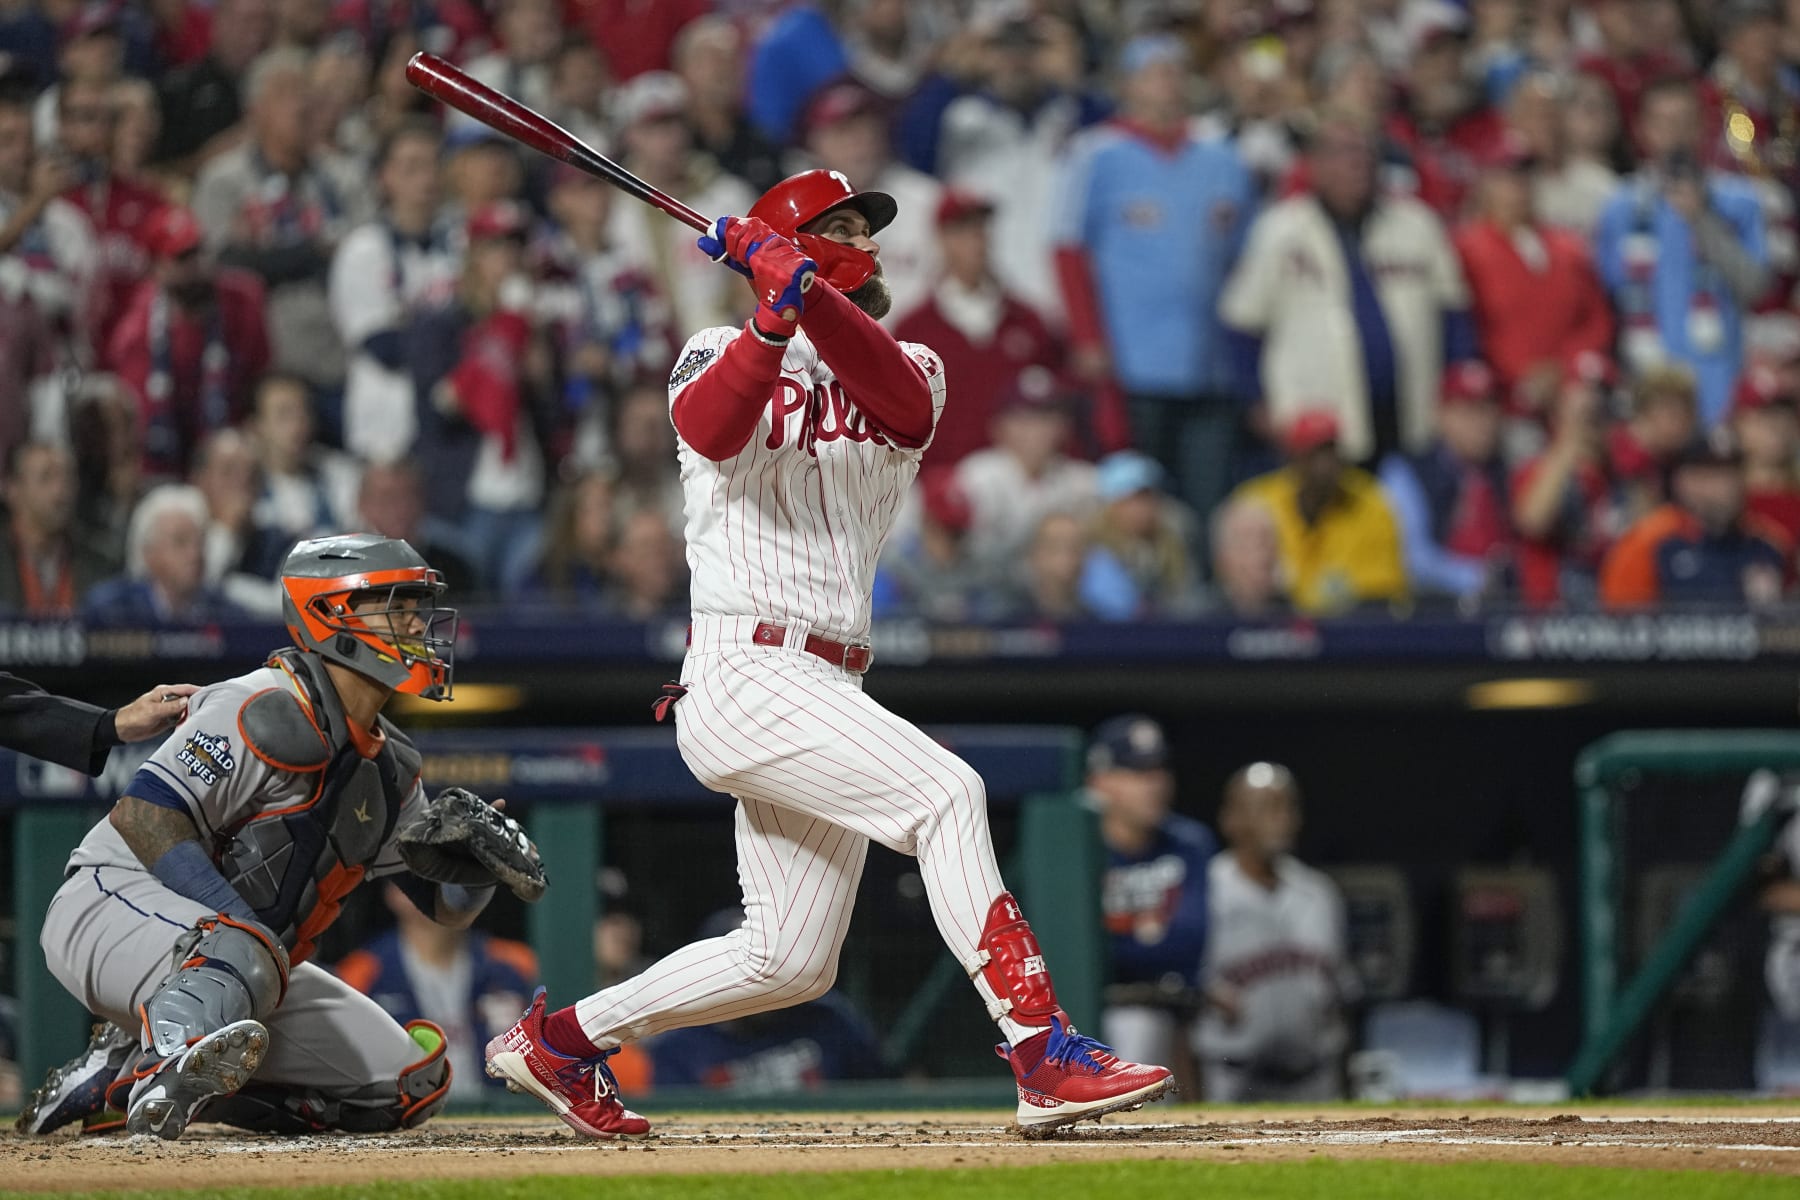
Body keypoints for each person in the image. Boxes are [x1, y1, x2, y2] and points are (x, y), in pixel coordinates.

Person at [484, 168, 1173, 1140]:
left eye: (862, 229)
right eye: (837, 228)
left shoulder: (915, 364)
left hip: (827, 678)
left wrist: (799, 284)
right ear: (782, 243)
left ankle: (561, 1040)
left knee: (790, 958)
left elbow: (896, 402)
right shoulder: (713, 348)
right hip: (742, 667)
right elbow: (712, 429)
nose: (865, 243)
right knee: (947, 795)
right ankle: (1041, 1047)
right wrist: (772, 314)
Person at [17, 533, 545, 1140]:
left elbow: (441, 908)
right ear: (330, 612)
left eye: (417, 609)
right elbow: (145, 817)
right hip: (105, 905)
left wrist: (477, 870)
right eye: (396, 606)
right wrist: (248, 937)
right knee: (250, 951)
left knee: (405, 1087)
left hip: (238, 962)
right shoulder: (258, 703)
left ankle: (116, 1075)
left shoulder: (393, 766)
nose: (416, 624)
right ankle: (159, 1079)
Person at [1053, 35, 1255, 500]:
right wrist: (1087, 337)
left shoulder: (1222, 156)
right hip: (1132, 363)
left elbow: (1246, 255)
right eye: (1153, 72)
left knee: (1210, 497)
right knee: (1142, 494)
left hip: (1212, 363)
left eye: (1174, 70)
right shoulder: (1096, 153)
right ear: (1128, 84)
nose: (1166, 82)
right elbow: (1067, 249)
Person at [1221, 111, 1474, 467]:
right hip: (1316, 430)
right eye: (1343, 154)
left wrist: (1457, 398)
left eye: (1365, 154)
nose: (1357, 164)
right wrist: (1257, 403)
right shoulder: (1280, 230)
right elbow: (1241, 324)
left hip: (1414, 424)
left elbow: (1453, 319)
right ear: (1316, 166)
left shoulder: (1417, 225)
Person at [191, 47, 369, 397]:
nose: (302, 106)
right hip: (262, 372)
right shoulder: (224, 181)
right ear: (256, 112)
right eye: (287, 95)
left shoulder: (344, 178)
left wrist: (266, 255)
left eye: (306, 94)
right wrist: (311, 252)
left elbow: (365, 258)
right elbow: (217, 267)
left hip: (341, 361)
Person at [1592, 77, 1768, 427]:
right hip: (1647, 384)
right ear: (1643, 130)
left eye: (1685, 122)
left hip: (1719, 384)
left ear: (1703, 126)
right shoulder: (1620, 208)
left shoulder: (1739, 201)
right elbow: (1609, 296)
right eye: (1664, 123)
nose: (1675, 134)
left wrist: (1702, 219)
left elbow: (1755, 286)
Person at [1196, 762, 1352, 1103]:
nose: (1281, 819)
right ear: (1230, 820)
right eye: (1265, 808)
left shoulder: (1320, 893)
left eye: (1287, 807)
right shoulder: (1204, 891)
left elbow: (1340, 997)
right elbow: (1181, 992)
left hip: (1315, 1079)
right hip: (1231, 1078)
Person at [1087, 715, 1215, 1091]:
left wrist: (1115, 931)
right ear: (1101, 781)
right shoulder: (1077, 848)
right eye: (1138, 773)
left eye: (1160, 772)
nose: (1155, 785)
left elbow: (1189, 943)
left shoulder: (1189, 843)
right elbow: (1074, 955)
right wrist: (1143, 931)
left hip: (1173, 1016)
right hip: (1087, 1017)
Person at [891, 189, 1060, 469]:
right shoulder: (914, 329)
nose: (974, 240)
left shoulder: (1028, 322)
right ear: (941, 239)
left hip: (1017, 483)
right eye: (961, 230)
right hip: (937, 483)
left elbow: (1057, 409)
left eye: (980, 228)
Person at [105, 205, 271, 480]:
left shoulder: (243, 300)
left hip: (235, 451)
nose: (198, 267)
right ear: (157, 269)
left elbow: (262, 380)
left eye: (199, 251)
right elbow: (142, 426)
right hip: (165, 464)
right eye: (183, 258)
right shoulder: (136, 333)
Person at [645, 907, 885, 1094]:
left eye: (766, 968)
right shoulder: (677, 1047)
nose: (758, 983)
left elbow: (884, 1090)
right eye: (744, 972)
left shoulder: (829, 1019)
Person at [1454, 136, 1614, 414]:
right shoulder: (1467, 249)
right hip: (1503, 401)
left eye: (1525, 175)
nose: (1518, 187)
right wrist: (1517, 377)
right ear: (1485, 184)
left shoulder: (1568, 247)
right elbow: (1471, 329)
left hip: (1573, 392)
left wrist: (1563, 368)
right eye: (1506, 177)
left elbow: (1596, 320)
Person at [335, 882, 539, 1099]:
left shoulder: (517, 964)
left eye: (450, 876)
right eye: (423, 876)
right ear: (394, 891)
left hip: (505, 1118)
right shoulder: (359, 973)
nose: (439, 886)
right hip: (405, 1121)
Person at [332, 119, 459, 466]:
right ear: (384, 177)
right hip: (384, 432)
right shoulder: (364, 249)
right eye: (412, 167)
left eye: (434, 164)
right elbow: (382, 345)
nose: (427, 177)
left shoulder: (460, 245)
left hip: (451, 433)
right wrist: (449, 333)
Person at [1228, 412, 1407, 616]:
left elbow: (1383, 592)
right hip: (1273, 621)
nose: (1324, 465)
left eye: (1330, 451)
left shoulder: (1370, 502)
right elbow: (1235, 574)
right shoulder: (1259, 500)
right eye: (1313, 454)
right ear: (1292, 458)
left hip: (1351, 630)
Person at [1377, 361, 1513, 607]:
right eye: (1470, 410)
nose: (1483, 423)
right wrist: (1479, 577)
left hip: (1510, 611)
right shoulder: (1406, 471)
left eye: (1490, 408)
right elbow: (1412, 560)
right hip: (1434, 616)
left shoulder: (1507, 470)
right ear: (1440, 414)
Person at [1599, 435, 1791, 609]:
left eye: (1731, 473)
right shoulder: (1648, 541)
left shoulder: (1768, 543)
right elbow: (1621, 629)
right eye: (1710, 475)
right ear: (1683, 482)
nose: (1725, 486)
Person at [954, 365, 1098, 568]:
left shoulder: (1084, 481)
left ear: (1064, 427)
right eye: (1022, 419)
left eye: (1045, 418)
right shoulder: (976, 475)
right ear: (999, 426)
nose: (1035, 430)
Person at [81, 483, 247, 625]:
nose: (195, 553)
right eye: (180, 542)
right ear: (148, 553)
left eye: (200, 542)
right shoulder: (110, 610)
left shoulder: (228, 615)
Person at [1081, 451, 1205, 620]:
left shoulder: (1171, 544)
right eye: (1130, 500)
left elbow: (1187, 602)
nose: (1140, 509)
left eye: (1146, 498)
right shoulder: (1092, 555)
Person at [0, 441, 115, 617]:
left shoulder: (101, 564)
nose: (60, 491)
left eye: (68, 478)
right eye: (46, 478)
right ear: (12, 489)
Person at [1735, 361, 1800, 546]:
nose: (1776, 427)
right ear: (1738, 425)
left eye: (1784, 415)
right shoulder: (1718, 494)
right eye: (1764, 416)